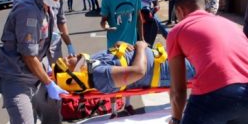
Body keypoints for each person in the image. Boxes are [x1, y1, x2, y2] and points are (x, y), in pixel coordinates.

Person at [53, 41, 195, 93]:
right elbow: (138, 72)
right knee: (206, 64)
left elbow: (116, 59)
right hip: (166, 69)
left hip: (161, 57)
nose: (67, 56)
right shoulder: (98, 75)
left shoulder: (90, 63)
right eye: (64, 61)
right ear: (70, 73)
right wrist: (140, 47)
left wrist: (118, 45)